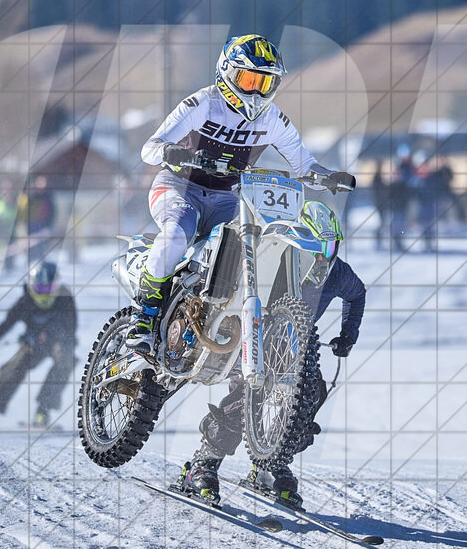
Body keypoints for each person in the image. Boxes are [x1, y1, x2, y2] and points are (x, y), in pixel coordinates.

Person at [128, 34, 354, 353]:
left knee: (245, 252)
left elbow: (305, 166)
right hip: (179, 187)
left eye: (264, 83)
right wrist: (170, 151)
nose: (255, 91)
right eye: (248, 79)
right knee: (178, 233)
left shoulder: (273, 119)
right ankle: (145, 317)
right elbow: (148, 149)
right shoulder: (201, 104)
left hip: (226, 199)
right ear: (227, 73)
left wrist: (328, 177)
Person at [179, 201, 365, 507]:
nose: (322, 256)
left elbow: (358, 295)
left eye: (331, 248)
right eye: (317, 246)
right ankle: (204, 461)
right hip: (254, 339)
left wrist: (348, 335)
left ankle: (271, 462)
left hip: (293, 352)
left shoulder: (337, 273)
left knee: (311, 393)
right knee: (246, 396)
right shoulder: (278, 255)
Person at [0, 261, 77, 427]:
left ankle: (43, 411)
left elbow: (71, 327)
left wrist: (46, 335)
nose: (44, 293)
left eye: (48, 289)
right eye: (40, 289)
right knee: (15, 367)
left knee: (65, 360)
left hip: (59, 342)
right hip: (32, 344)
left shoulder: (65, 298)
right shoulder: (25, 301)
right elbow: (7, 323)